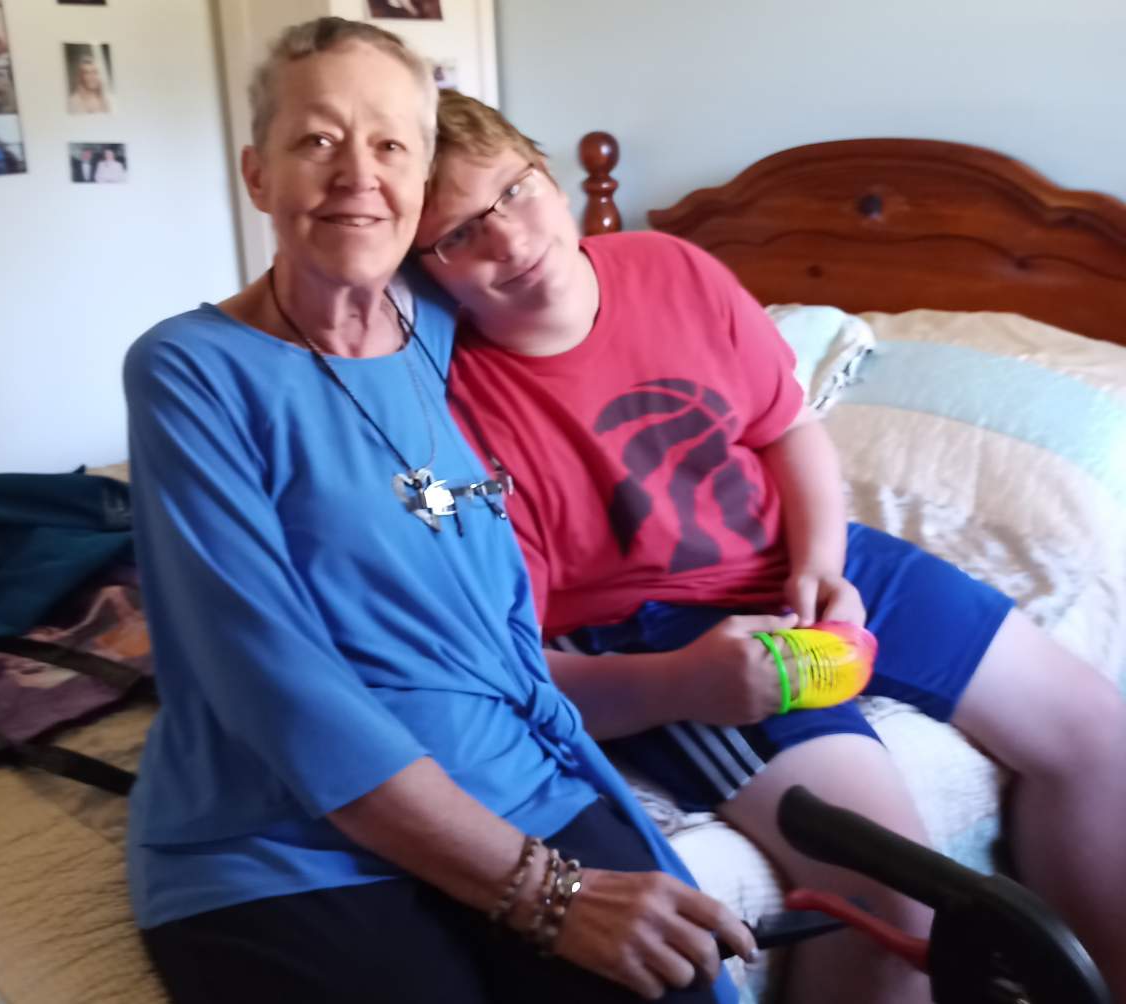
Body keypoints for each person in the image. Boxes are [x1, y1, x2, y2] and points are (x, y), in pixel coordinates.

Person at [416, 90, 1126, 1004]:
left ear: (546, 174)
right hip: (658, 626)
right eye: (458, 234)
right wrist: (682, 683)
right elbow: (512, 673)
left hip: (818, 551)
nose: (507, 240)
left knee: (1098, 733)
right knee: (899, 894)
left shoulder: (672, 267)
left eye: (513, 193)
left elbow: (788, 429)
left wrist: (822, 560)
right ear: (424, 267)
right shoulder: (450, 407)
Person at [123, 18, 754, 1004]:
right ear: (258, 175)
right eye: (316, 140)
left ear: (419, 185)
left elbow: (557, 269)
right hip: (284, 840)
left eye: (389, 144)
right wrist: (548, 894)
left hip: (517, 779)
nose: (356, 175)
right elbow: (279, 687)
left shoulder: (441, 322)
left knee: (677, 982)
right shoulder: (192, 369)